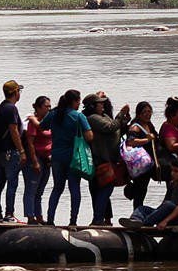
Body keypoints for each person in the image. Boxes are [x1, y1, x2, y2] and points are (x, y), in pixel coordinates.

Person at [44, 89, 89, 226]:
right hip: (73, 158)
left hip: (57, 157)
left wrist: (33, 119)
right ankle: (73, 222)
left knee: (57, 188)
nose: (79, 104)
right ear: (74, 101)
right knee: (74, 188)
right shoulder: (78, 116)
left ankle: (50, 220)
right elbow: (89, 136)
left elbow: (42, 127)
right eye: (78, 101)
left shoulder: (53, 114)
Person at [83, 93, 122, 225]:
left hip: (105, 159)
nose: (103, 105)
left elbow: (114, 126)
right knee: (103, 191)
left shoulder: (103, 116)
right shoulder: (93, 118)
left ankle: (104, 219)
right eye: (100, 103)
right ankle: (98, 219)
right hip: (100, 160)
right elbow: (110, 127)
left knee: (100, 191)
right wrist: (121, 115)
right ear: (93, 106)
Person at [0, 80, 25, 223]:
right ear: (15, 92)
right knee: (12, 183)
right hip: (10, 152)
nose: (19, 94)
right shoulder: (11, 108)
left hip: (0, 152)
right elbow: (14, 130)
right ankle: (8, 214)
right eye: (19, 91)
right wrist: (21, 150)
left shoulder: (1, 108)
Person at [121, 101, 158, 211]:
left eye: (149, 111)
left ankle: (139, 213)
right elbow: (130, 142)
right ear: (138, 114)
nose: (147, 114)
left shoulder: (149, 125)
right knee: (139, 191)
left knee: (143, 190)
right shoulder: (135, 127)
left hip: (148, 164)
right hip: (139, 164)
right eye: (144, 112)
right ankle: (136, 215)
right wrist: (147, 140)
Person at [22, 94, 52, 224]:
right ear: (38, 108)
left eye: (50, 106)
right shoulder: (33, 123)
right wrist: (34, 161)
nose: (49, 109)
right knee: (31, 189)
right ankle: (30, 216)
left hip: (47, 159)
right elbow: (30, 143)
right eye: (46, 106)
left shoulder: (48, 122)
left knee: (40, 191)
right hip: (35, 158)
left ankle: (39, 216)